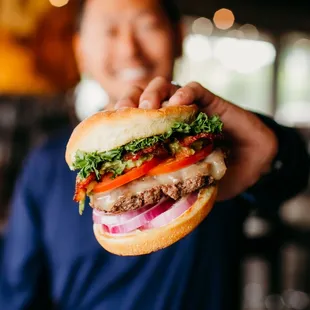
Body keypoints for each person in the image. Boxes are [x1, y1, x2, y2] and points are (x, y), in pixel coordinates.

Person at [0, 0, 309, 309]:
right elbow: (16, 293)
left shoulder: (217, 139)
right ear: (80, 49)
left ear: (178, 37)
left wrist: (272, 148)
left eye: (146, 25)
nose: (128, 49)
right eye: (109, 31)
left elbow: (291, 175)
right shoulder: (46, 164)